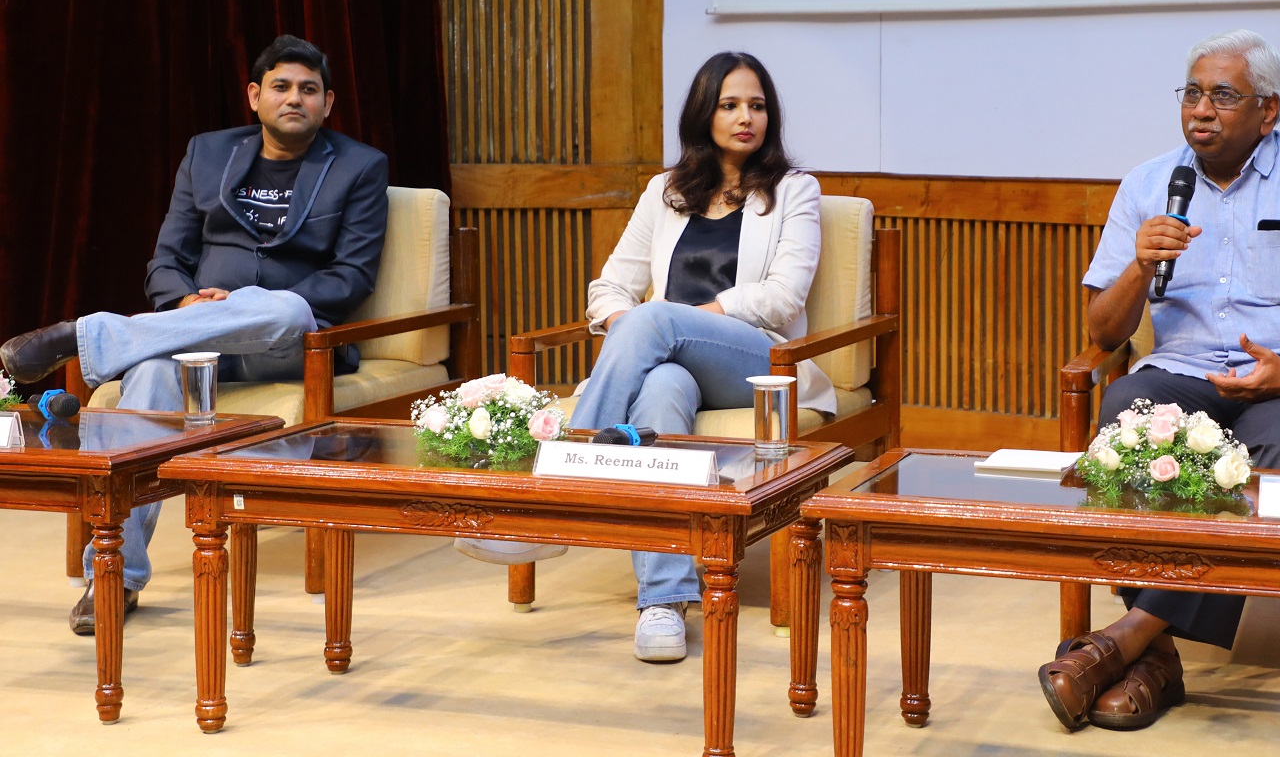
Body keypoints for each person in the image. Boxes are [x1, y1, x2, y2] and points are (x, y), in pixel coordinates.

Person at [1038, 30, 1280, 731]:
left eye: (1222, 96)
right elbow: (1102, 333)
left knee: (1277, 454)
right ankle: (1157, 652)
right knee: (1123, 412)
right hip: (1185, 373)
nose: (1201, 111)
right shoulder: (1149, 183)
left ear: (1267, 111)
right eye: (1191, 93)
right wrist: (1138, 267)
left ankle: (1128, 642)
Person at [0, 35, 388, 634]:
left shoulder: (361, 166)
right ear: (255, 96)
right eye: (281, 87)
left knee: (283, 308)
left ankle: (86, 335)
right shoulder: (207, 154)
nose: (295, 99)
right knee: (153, 370)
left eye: (309, 90)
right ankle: (114, 577)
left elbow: (350, 278)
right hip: (197, 342)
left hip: (287, 344)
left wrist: (243, 305)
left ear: (328, 103)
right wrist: (186, 302)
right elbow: (166, 260)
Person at [457, 50, 836, 663]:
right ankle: (663, 602)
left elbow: (782, 297)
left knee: (656, 320)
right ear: (702, 114)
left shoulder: (794, 191)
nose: (746, 118)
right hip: (672, 363)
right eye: (730, 104)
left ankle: (543, 498)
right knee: (659, 390)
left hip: (761, 364)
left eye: (757, 106)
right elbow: (607, 287)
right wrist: (628, 322)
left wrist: (676, 322)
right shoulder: (665, 192)